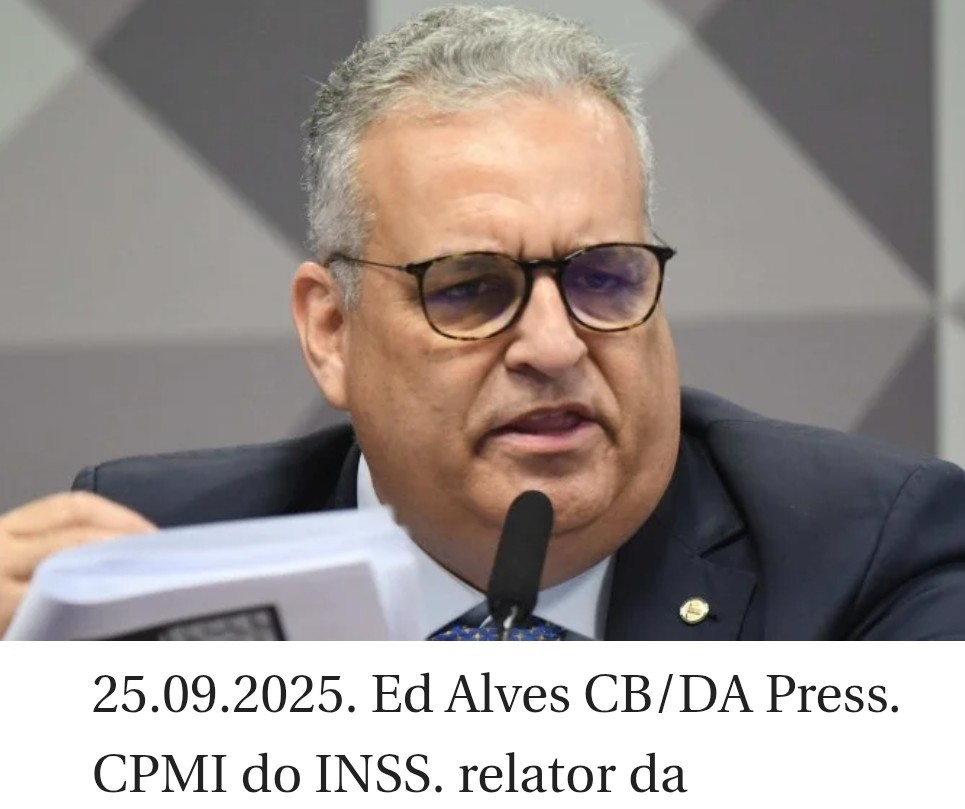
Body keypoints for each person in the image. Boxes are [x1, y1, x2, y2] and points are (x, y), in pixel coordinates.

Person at [2, 5, 964, 640]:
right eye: (468, 289)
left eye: (603, 276)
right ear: (332, 330)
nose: (553, 345)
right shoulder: (149, 562)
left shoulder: (868, 558)